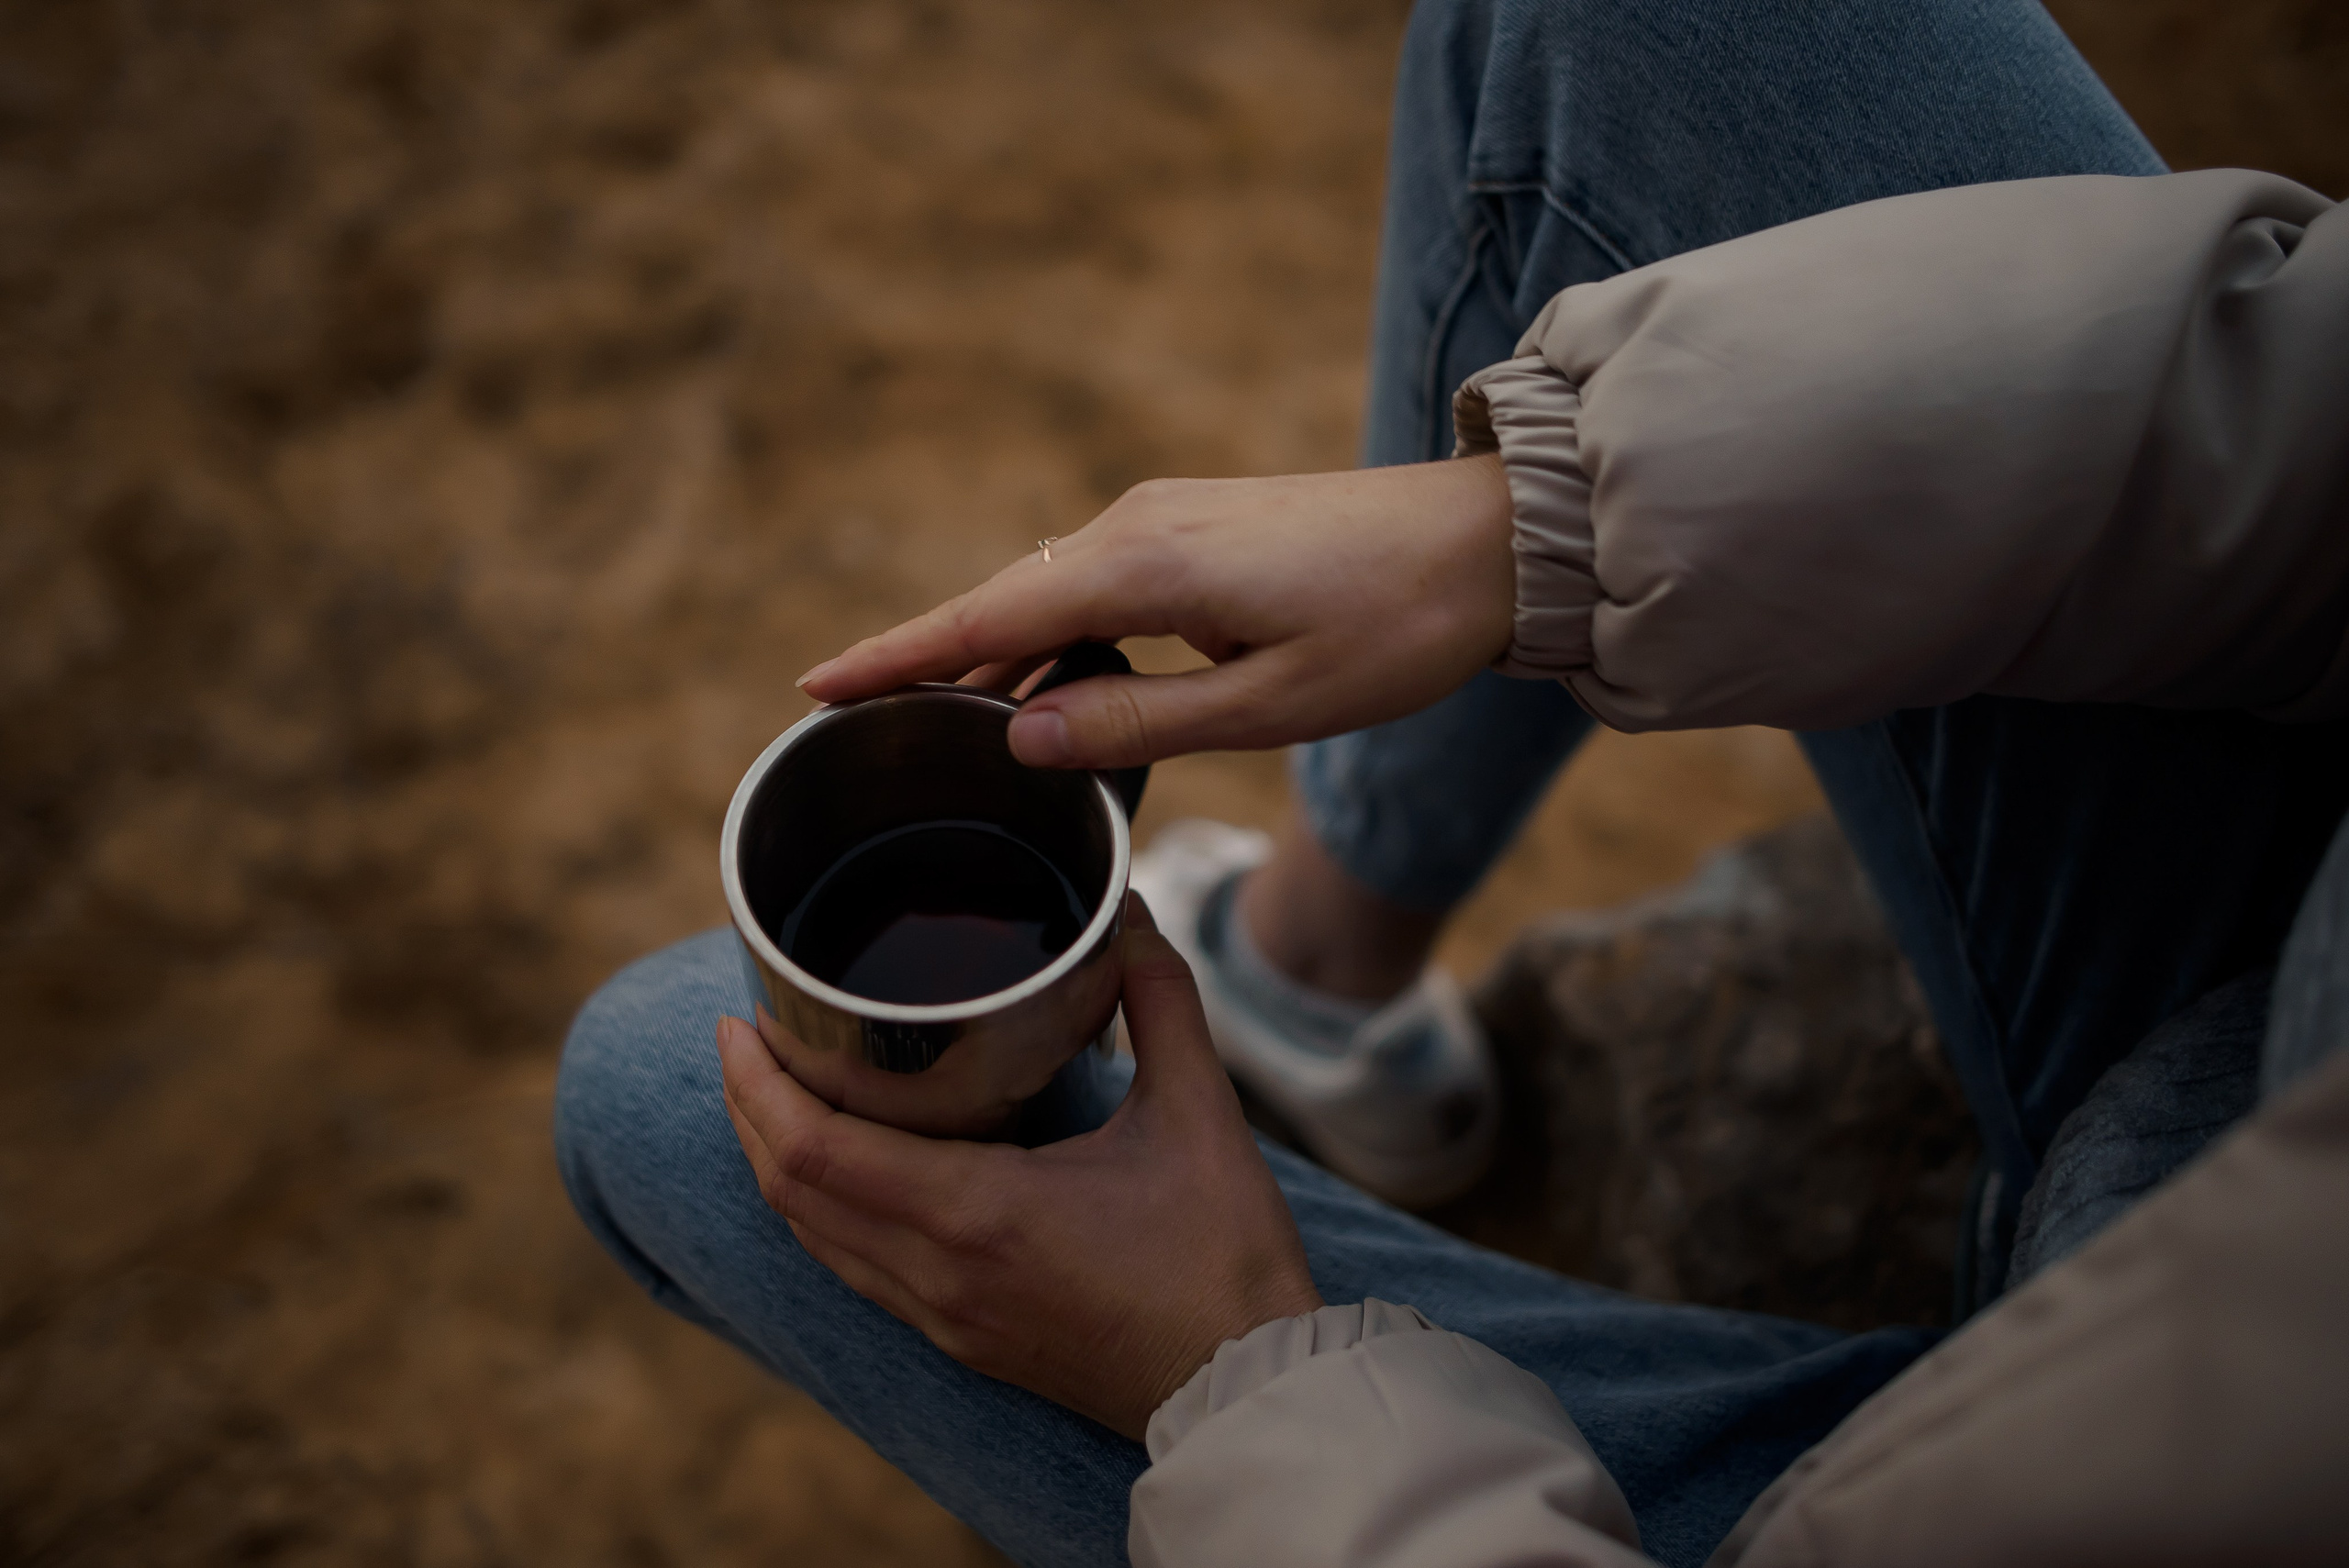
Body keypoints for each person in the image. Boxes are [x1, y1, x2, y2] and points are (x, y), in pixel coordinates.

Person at [554, 1, 2349, 1562]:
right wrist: (1533, 522)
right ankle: (1312, 972)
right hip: (2272, 1022)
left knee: (658, 1072)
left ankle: (1290, 1005)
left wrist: (1227, 1370)